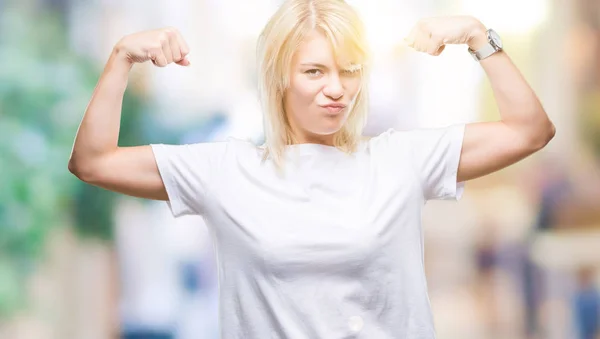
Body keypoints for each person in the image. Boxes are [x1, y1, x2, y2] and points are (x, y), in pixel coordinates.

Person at [68, 0, 556, 337]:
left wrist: (477, 35)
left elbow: (530, 130)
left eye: (349, 70)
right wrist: (121, 58)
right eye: (315, 71)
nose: (337, 89)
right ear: (280, 79)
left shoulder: (401, 160)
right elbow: (93, 162)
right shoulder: (224, 171)